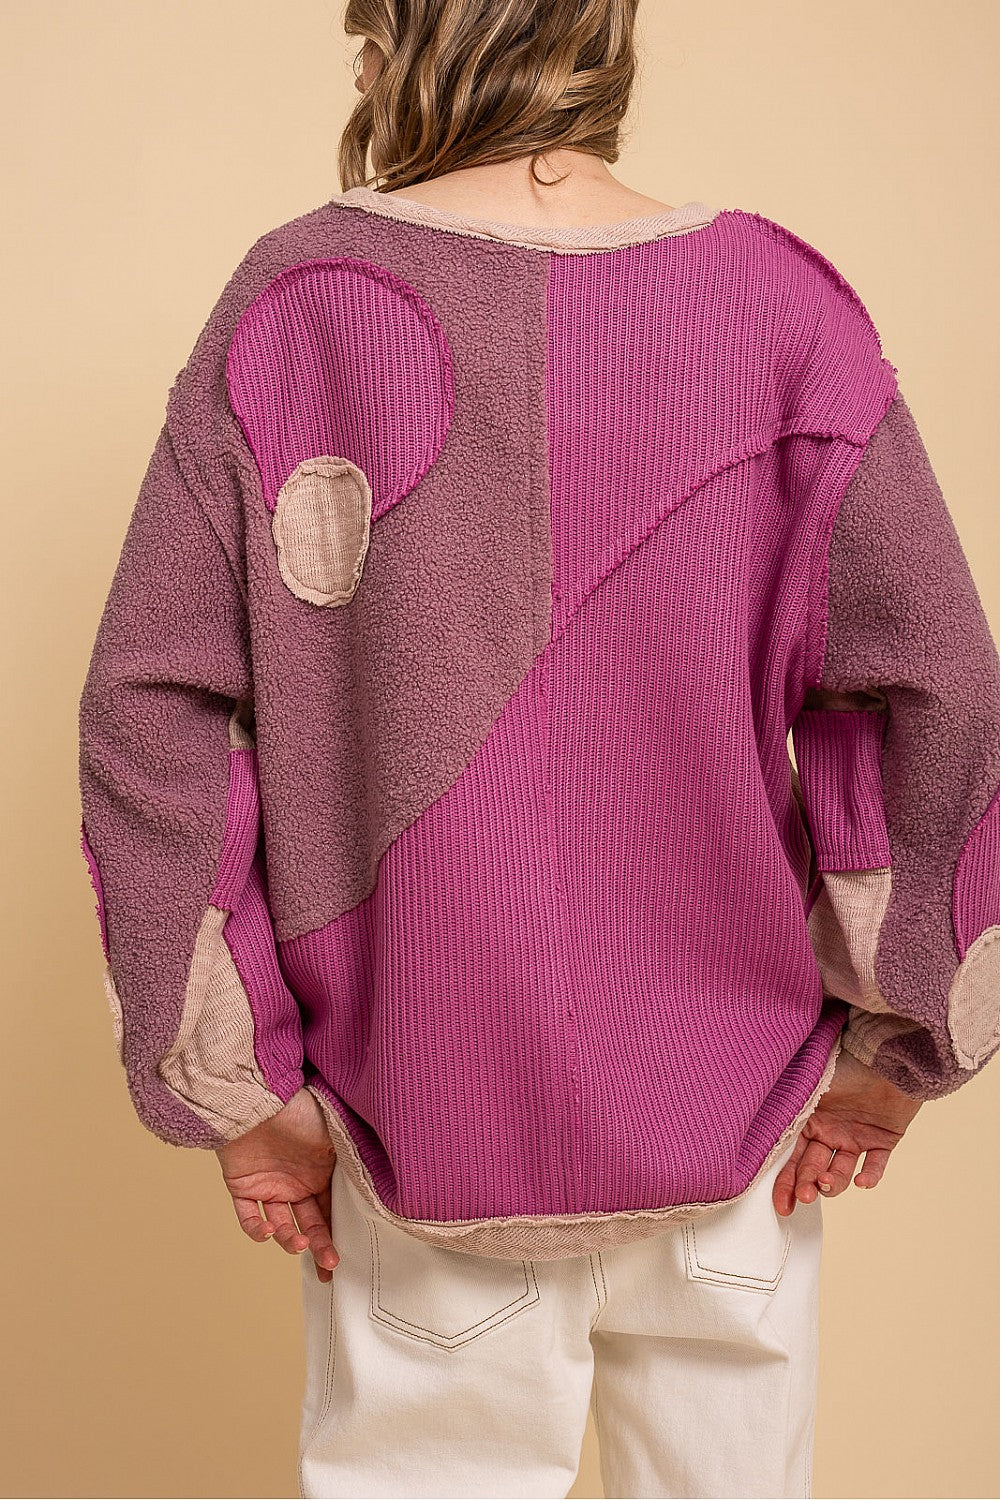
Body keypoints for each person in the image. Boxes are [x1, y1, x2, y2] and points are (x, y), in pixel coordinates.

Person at [76, 2, 1000, 1497]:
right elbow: (932, 691)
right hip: (732, 1127)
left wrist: (243, 1095)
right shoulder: (783, 307)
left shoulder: (295, 304)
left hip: (421, 1121)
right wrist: (901, 1047)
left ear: (387, 34)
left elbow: (149, 707)